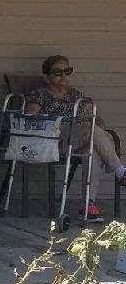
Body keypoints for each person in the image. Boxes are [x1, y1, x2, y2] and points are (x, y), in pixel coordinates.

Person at [24, 55, 126, 211]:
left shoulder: (76, 95)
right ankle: (120, 171)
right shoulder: (39, 95)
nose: (64, 76)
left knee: (93, 149)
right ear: (47, 76)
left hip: (77, 140)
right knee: (93, 133)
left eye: (67, 71)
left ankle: (88, 205)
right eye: (58, 72)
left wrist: (95, 122)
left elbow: (92, 118)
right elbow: (31, 121)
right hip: (52, 142)